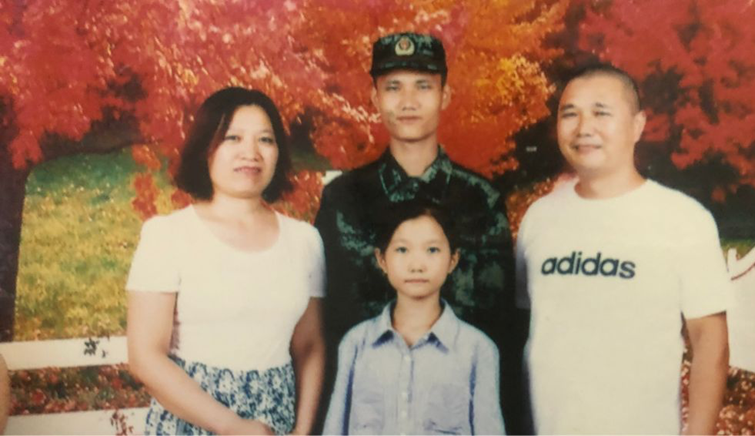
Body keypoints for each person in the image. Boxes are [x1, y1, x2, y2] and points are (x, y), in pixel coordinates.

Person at [314, 32, 520, 432]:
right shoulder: (344, 198)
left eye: (423, 86)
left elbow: (501, 328)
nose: (407, 101)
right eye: (393, 87)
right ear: (374, 98)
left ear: (445, 95)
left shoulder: (480, 200)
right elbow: (324, 322)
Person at [516, 64, 731, 434]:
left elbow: (711, 345)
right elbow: (525, 333)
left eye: (601, 112)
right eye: (570, 114)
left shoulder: (683, 219)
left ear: (637, 125)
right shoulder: (539, 217)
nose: (584, 127)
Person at [126, 87, 325, 435]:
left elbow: (310, 347)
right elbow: (145, 357)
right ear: (206, 148)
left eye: (265, 139)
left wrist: (302, 431)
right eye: (233, 137)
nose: (251, 152)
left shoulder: (305, 241)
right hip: (190, 421)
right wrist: (233, 427)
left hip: (275, 422)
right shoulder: (167, 235)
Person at [323, 200, 505, 435]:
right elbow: (335, 428)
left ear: (453, 259)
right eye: (402, 250)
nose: (417, 265)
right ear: (381, 259)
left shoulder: (478, 349)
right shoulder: (356, 343)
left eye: (432, 250)